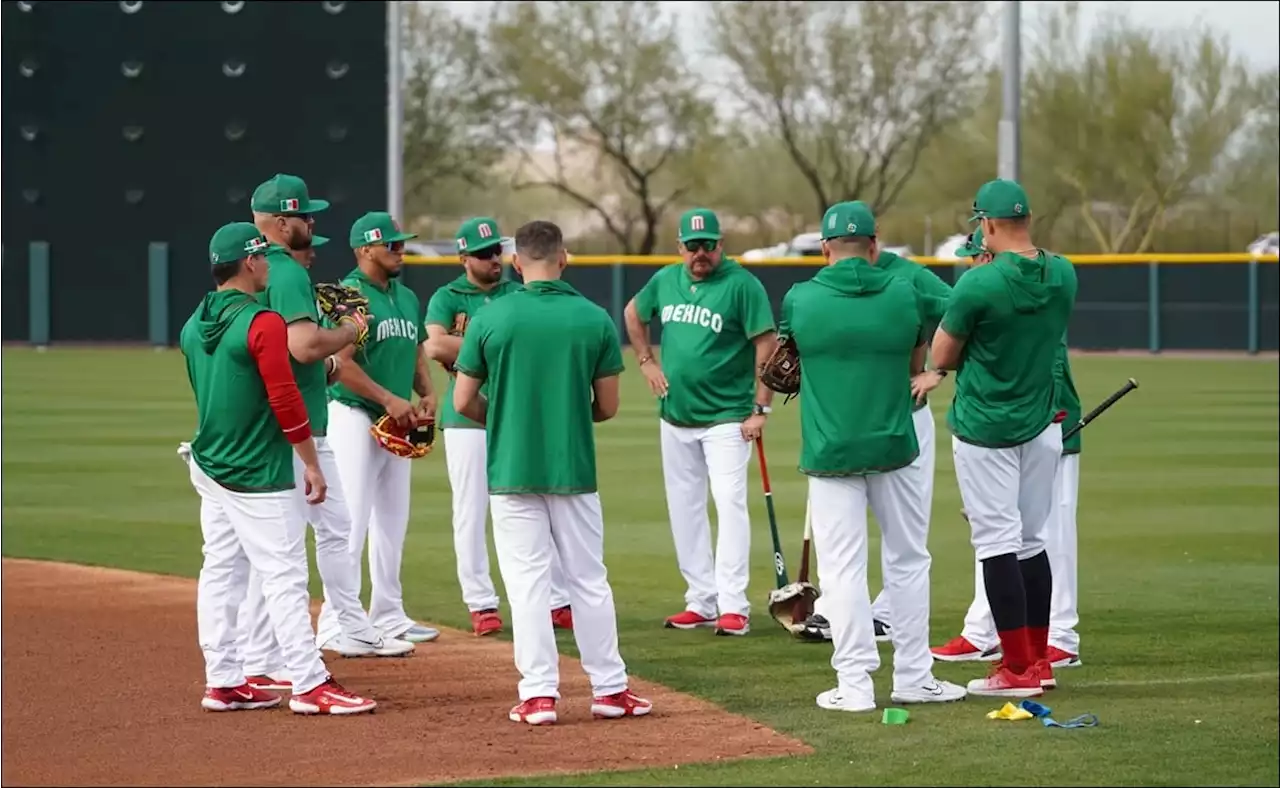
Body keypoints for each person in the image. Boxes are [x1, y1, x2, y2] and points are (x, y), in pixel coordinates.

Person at [453, 220, 651, 726]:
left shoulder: (491, 318)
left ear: (517, 263)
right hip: (573, 469)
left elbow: (462, 401)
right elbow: (606, 407)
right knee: (588, 581)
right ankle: (610, 688)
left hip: (511, 471)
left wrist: (503, 419)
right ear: (564, 257)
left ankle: (539, 695)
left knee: (526, 587)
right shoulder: (593, 318)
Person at [180, 221, 376, 715]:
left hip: (209, 460)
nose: (269, 263)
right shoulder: (262, 322)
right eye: (263, 257)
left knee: (221, 569)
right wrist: (310, 462)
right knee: (285, 574)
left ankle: (223, 679)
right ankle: (310, 684)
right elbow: (284, 396)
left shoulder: (193, 322)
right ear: (249, 263)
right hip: (256, 469)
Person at [780, 202, 966, 712]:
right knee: (908, 560)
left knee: (842, 570)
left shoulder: (800, 298)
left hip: (830, 448)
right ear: (875, 244)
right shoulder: (905, 294)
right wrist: (931, 371)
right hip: (895, 444)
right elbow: (929, 345)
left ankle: (855, 685)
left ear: (823, 249)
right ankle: (913, 676)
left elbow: (785, 360)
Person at [237, 175, 414, 696]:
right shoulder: (285, 270)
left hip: (283, 421)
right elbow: (304, 346)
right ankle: (282, 651)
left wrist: (331, 361)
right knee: (292, 546)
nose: (312, 228)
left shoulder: (260, 272)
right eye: (305, 218)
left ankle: (286, 648)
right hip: (292, 430)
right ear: (280, 220)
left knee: (320, 531)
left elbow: (298, 356)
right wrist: (351, 332)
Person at [914, 179, 1078, 698]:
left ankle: (1016, 670)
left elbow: (941, 357)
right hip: (1043, 424)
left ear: (986, 224)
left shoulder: (976, 285)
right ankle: (1038, 662)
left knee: (997, 546)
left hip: (987, 427)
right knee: (1031, 544)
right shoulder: (1064, 273)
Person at [623, 208, 778, 636]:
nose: (700, 253)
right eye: (692, 246)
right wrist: (645, 360)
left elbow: (767, 344)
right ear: (680, 248)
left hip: (728, 417)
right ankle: (701, 599)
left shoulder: (742, 285)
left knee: (729, 505)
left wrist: (760, 408)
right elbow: (634, 314)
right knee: (685, 509)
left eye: (708, 244)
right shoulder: (665, 280)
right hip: (675, 415)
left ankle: (733, 605)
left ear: (720, 245)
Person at [797, 237, 955, 646]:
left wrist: (937, 371)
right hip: (865, 427)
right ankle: (840, 614)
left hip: (902, 422)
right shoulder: (826, 288)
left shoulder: (907, 277)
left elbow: (962, 312)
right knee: (865, 545)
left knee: (900, 541)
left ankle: (881, 619)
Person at [424, 217, 574, 637]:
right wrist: (498, 346)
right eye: (484, 253)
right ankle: (481, 603)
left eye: (498, 251)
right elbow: (434, 343)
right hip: (465, 417)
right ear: (463, 258)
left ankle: (557, 599)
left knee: (538, 504)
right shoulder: (447, 296)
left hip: (514, 414)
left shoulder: (515, 291)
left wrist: (475, 348)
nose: (495, 259)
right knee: (471, 511)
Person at [314, 211, 441, 646]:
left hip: (396, 419)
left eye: (401, 244)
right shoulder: (348, 296)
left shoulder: (405, 297)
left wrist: (427, 393)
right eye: (392, 245)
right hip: (351, 414)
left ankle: (387, 614)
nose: (400, 250)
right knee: (350, 522)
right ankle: (336, 624)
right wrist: (388, 398)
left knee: (392, 520)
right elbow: (339, 367)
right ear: (365, 250)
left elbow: (416, 353)